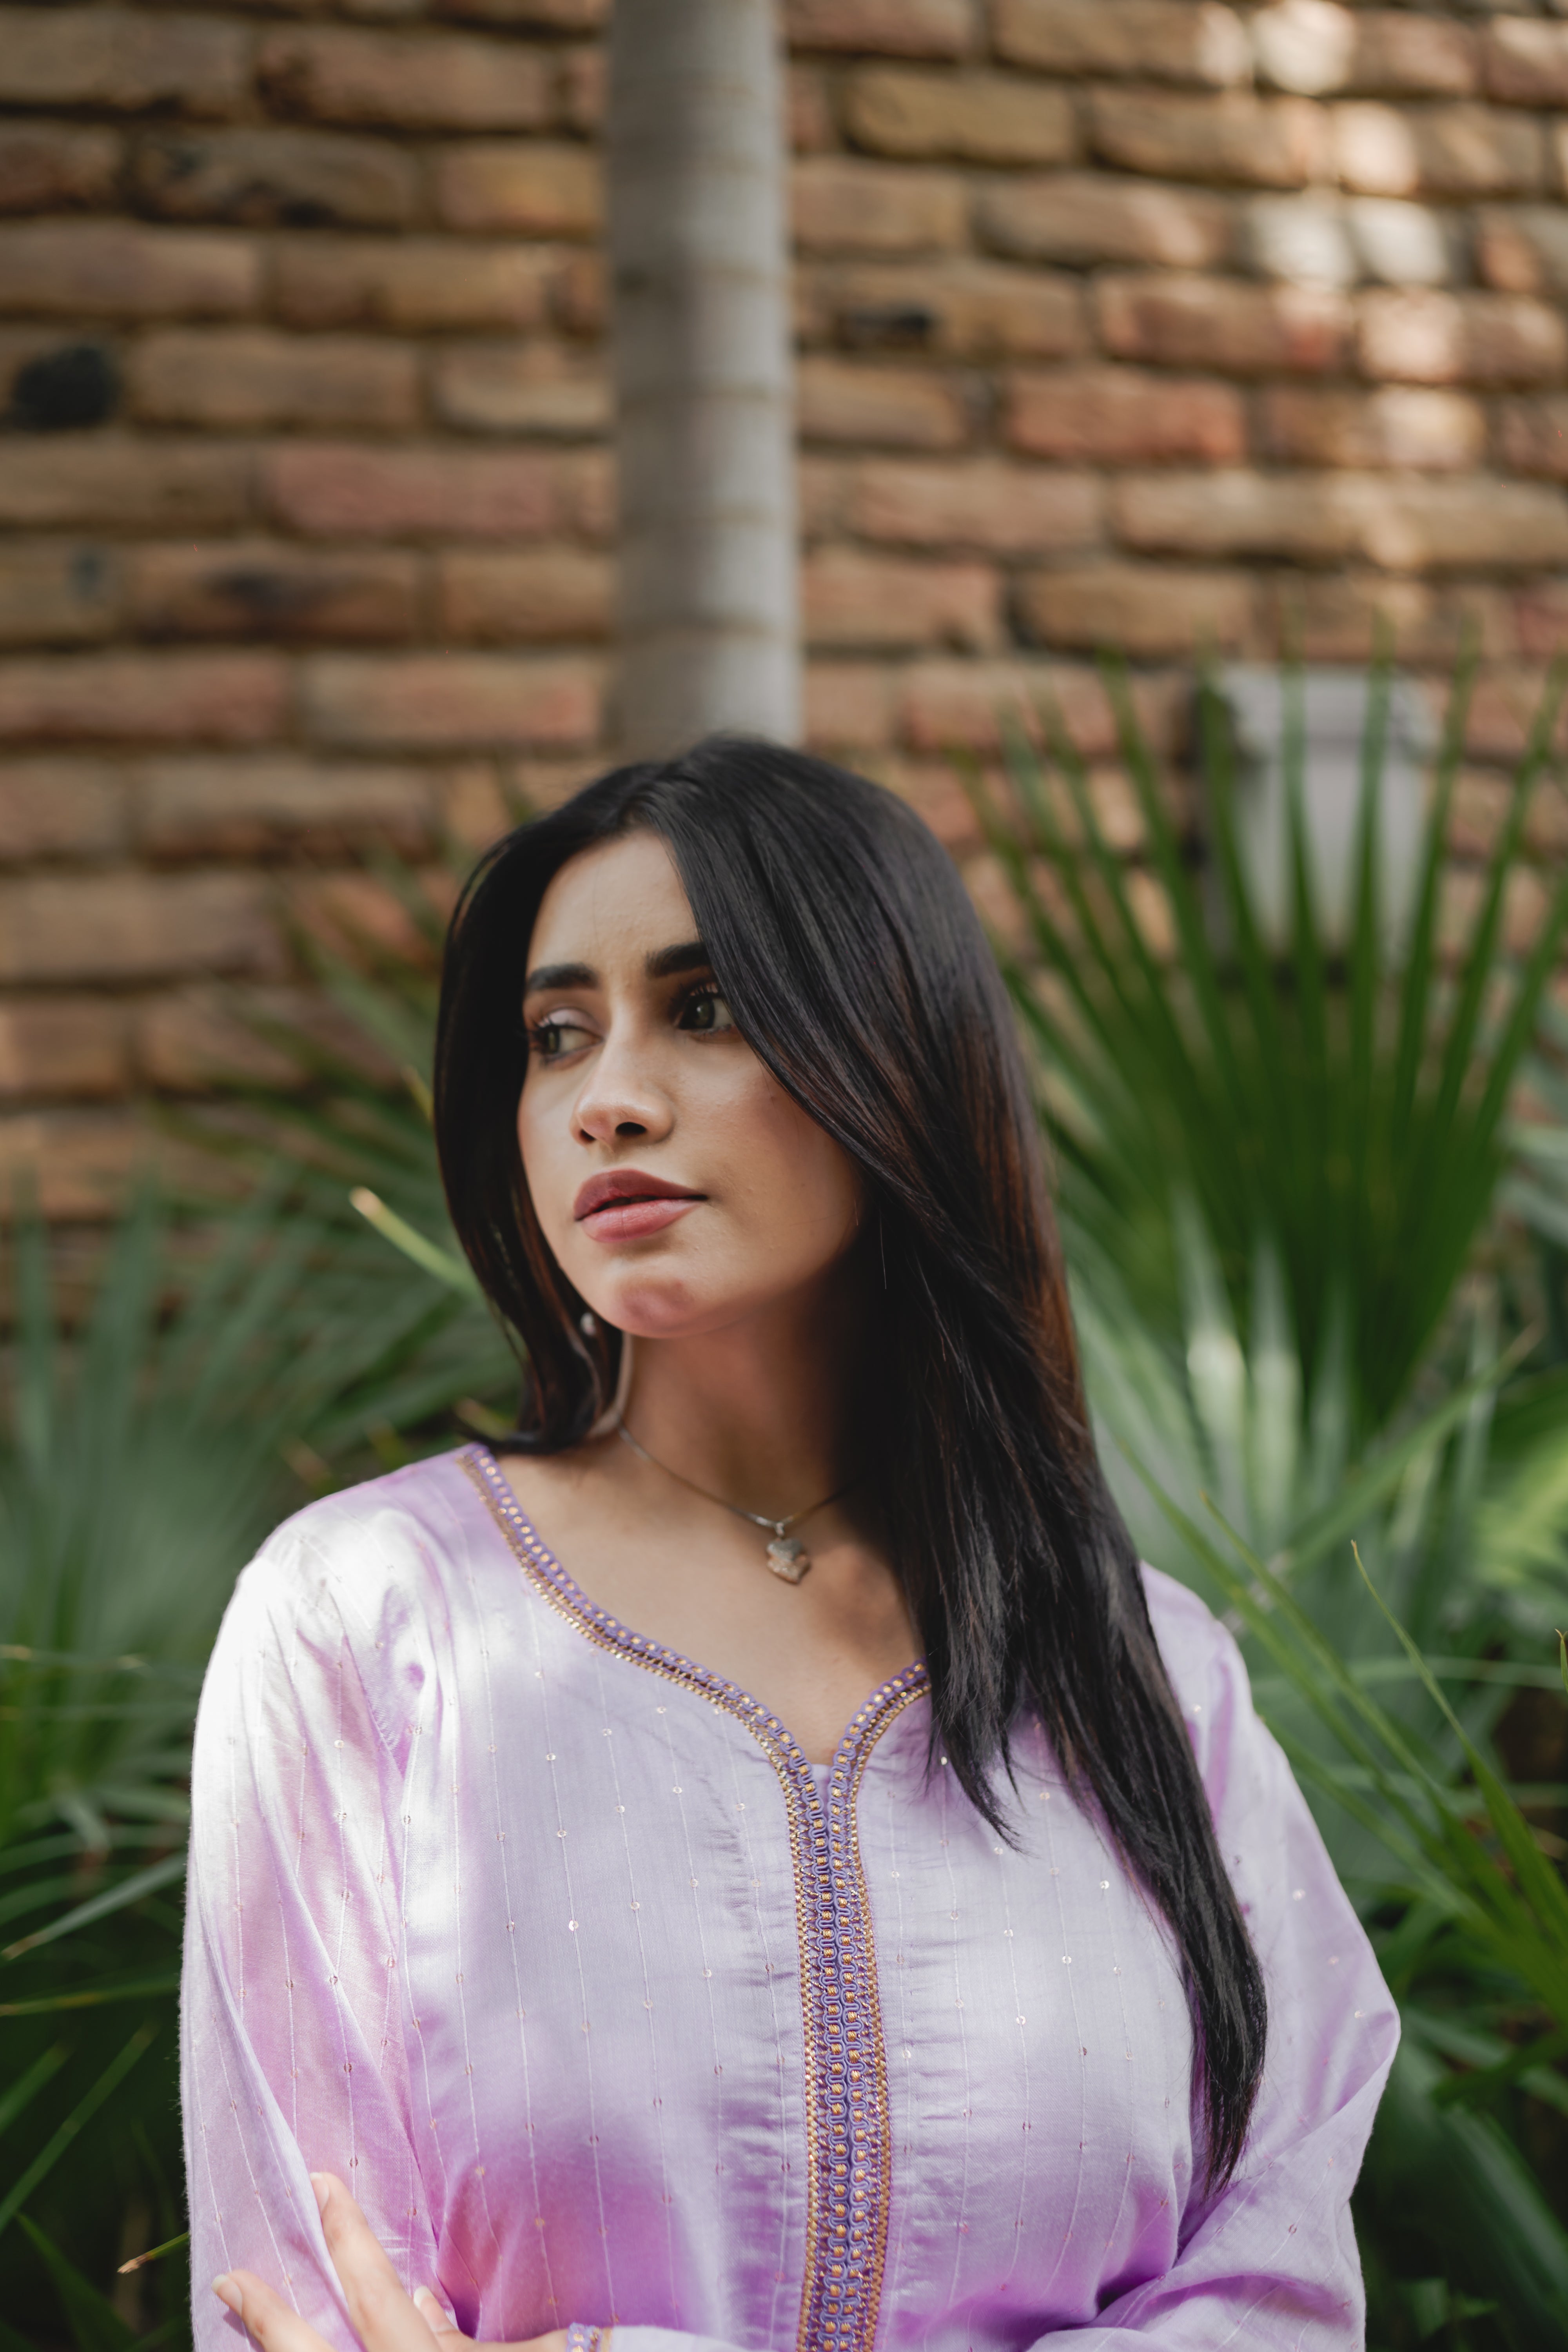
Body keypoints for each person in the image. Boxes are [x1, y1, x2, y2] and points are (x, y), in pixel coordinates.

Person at [183, 739, 1396, 2352]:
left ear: (894, 1055)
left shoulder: (1148, 1674)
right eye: (556, 1036)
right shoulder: (364, 1621)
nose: (608, 1098)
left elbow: (1279, 2294)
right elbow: (306, 2303)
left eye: (704, 1009)